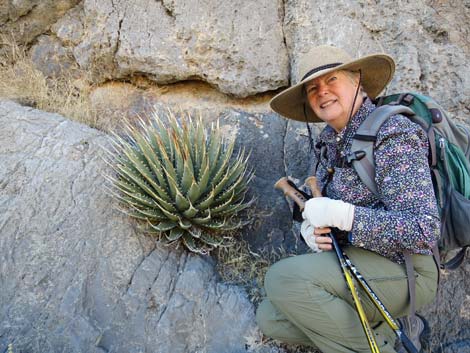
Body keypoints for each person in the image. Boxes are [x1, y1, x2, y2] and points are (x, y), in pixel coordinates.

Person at [256, 45, 440, 353]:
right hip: (356, 264)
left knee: (283, 279)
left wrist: (345, 216)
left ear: (357, 81)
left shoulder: (393, 132)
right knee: (271, 318)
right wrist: (313, 232)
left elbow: (424, 228)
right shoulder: (330, 144)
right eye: (313, 88)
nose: (322, 92)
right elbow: (327, 215)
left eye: (332, 81)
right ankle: (385, 337)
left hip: (406, 270)